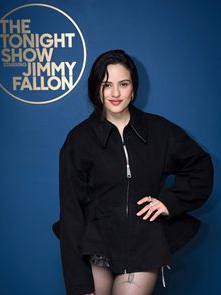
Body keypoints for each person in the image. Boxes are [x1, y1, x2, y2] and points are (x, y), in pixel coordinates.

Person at [53, 49, 213, 295]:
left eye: (123, 84)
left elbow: (200, 167)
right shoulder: (79, 140)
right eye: (107, 85)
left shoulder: (160, 131)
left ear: (133, 88)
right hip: (95, 243)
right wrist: (79, 286)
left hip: (143, 242)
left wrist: (170, 201)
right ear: (96, 88)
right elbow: (72, 212)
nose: (115, 93)